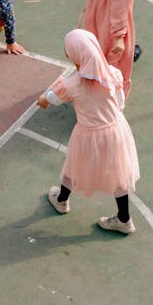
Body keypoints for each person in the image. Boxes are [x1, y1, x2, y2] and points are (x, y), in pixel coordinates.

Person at [36, 29, 139, 235]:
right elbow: (120, 103)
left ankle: (62, 200)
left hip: (88, 133)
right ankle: (124, 219)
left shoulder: (71, 84)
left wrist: (43, 98)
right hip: (116, 130)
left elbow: (48, 100)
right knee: (119, 174)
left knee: (73, 166)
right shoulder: (113, 73)